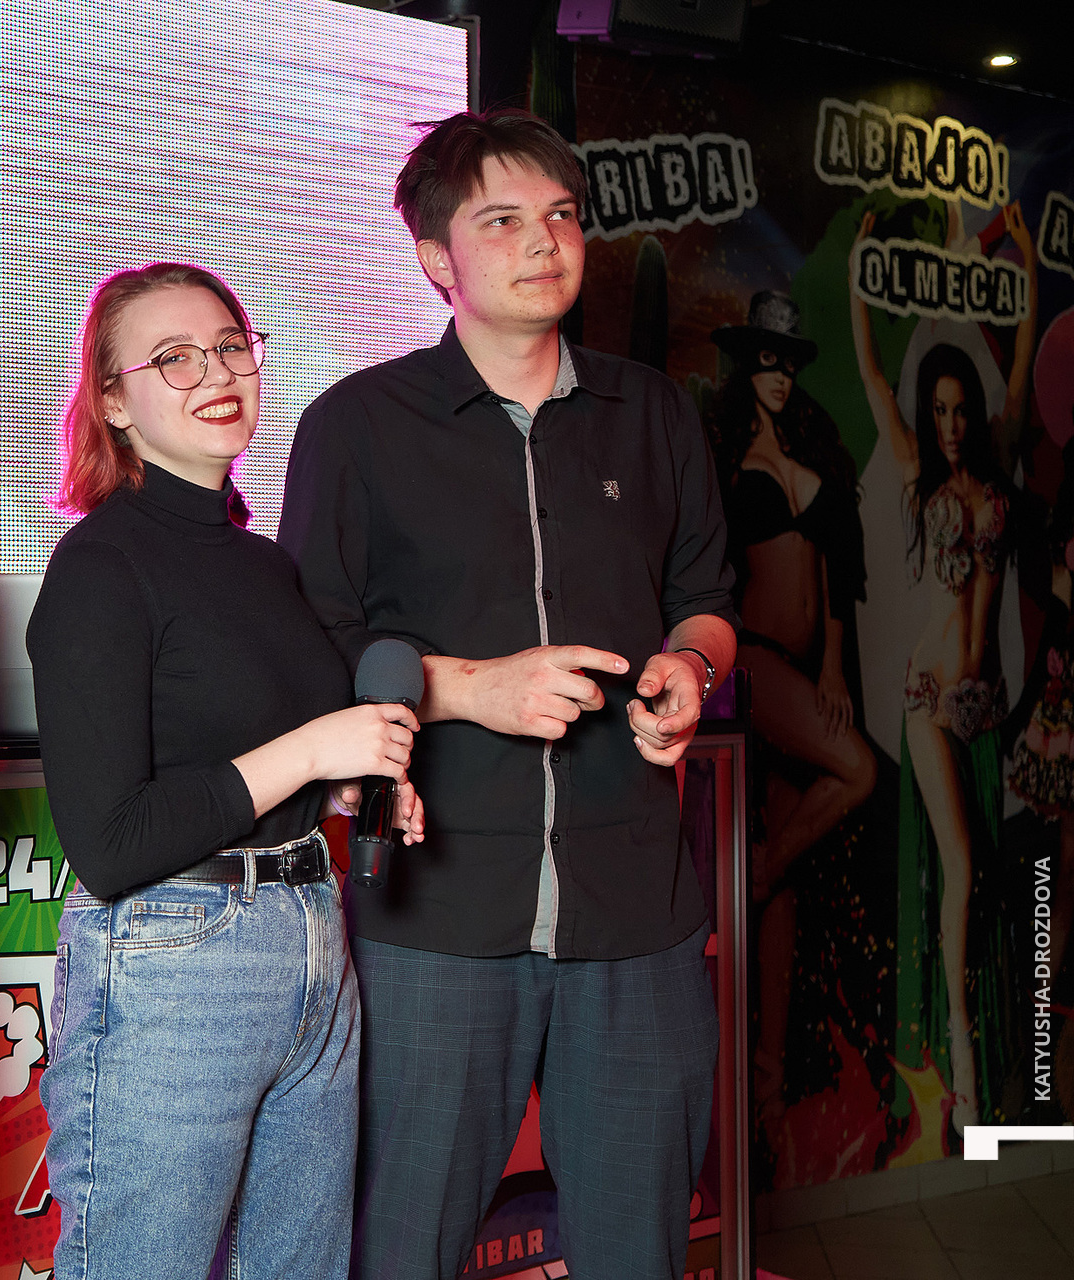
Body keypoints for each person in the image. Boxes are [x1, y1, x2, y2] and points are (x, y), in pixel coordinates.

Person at [279, 109, 737, 1280]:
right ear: (435, 257)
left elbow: (706, 602)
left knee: (639, 1247)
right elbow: (310, 646)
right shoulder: (357, 425)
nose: (544, 241)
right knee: (403, 1245)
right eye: (502, 220)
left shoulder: (654, 411)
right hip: (436, 915)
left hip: (635, 909)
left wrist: (690, 669)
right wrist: (473, 688)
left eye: (562, 216)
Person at [27, 262, 426, 1280]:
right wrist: (313, 750)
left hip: (312, 933)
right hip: (176, 959)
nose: (216, 372)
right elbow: (110, 844)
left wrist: (347, 784)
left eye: (230, 346)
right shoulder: (100, 564)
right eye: (174, 357)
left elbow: (249, 753)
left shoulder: (264, 563)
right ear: (114, 401)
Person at [851, 202, 1038, 1128]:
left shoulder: (997, 464)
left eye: (961, 410)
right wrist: (862, 272)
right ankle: (961, 1052)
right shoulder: (916, 467)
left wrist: (1028, 269)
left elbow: (1026, 362)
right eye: (942, 411)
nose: (953, 423)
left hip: (986, 704)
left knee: (990, 876)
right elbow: (871, 375)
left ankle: (997, 1064)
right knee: (961, 866)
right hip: (928, 697)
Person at [708, 292, 876, 1133]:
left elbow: (842, 572)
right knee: (859, 770)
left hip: (811, 667)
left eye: (788, 363)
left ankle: (767, 1084)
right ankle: (761, 868)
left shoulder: (813, 449)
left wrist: (836, 665)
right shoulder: (728, 458)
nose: (778, 375)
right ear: (747, 367)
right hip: (756, 657)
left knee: (786, 894)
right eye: (765, 361)